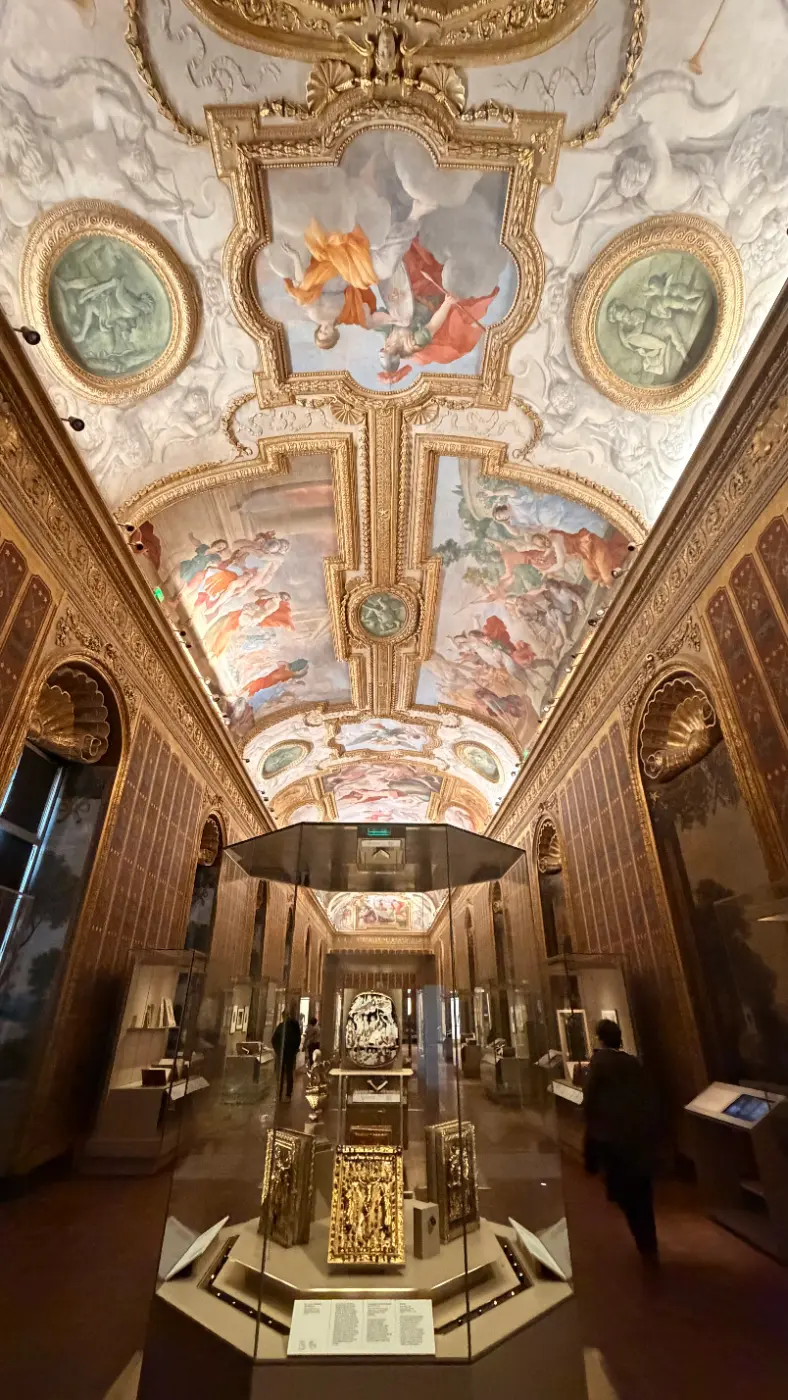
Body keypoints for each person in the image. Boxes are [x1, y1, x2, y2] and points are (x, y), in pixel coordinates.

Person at [583, 1018, 659, 1261]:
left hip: (614, 1137)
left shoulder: (600, 1063)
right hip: (636, 1136)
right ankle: (649, 1242)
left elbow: (591, 1097)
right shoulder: (631, 1062)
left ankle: (644, 1242)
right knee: (641, 1192)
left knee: (627, 1191)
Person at [272, 1005, 302, 1102]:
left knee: (285, 1074)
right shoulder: (286, 1026)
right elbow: (274, 1039)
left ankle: (283, 1094)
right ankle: (284, 1094)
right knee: (286, 1074)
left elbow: (274, 1039)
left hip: (286, 1053)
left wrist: (278, 1050)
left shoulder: (288, 1026)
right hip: (287, 1053)